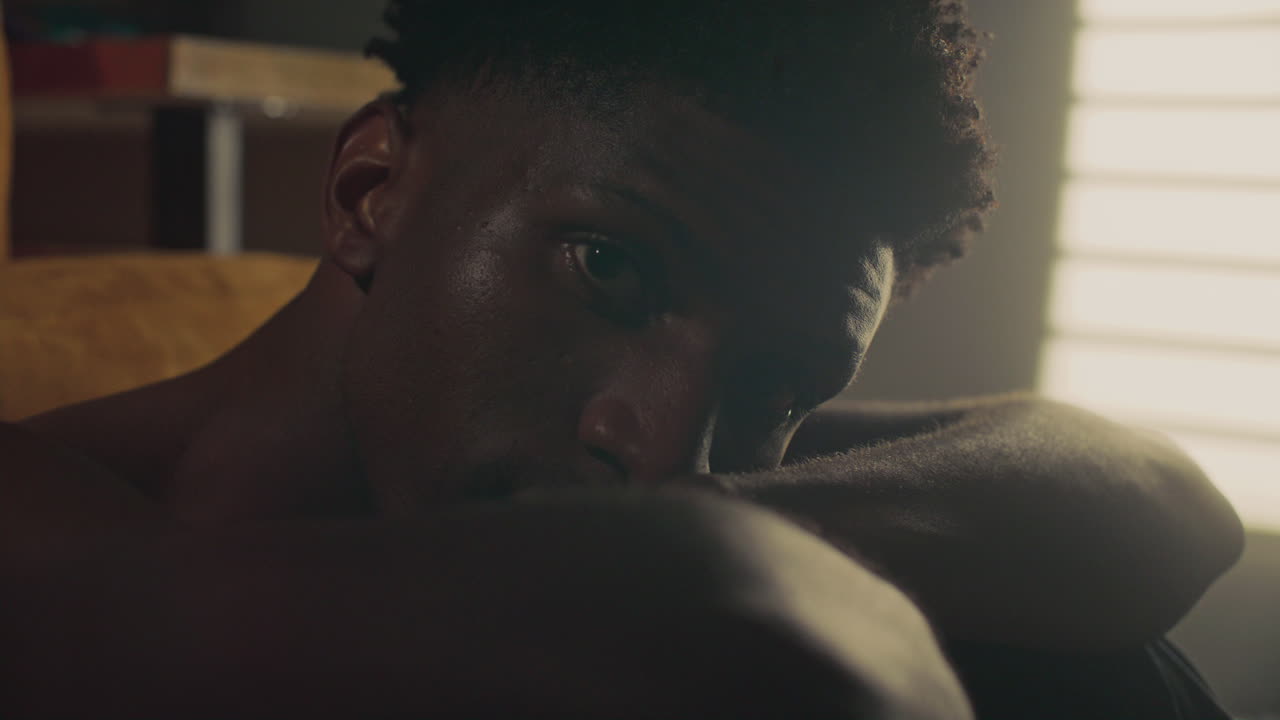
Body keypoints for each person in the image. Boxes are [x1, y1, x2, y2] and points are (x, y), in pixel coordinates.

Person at [1, 1, 1243, 717]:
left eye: (774, 389)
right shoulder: (49, 516)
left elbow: (1147, 496)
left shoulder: (663, 450)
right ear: (371, 190)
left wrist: (724, 539)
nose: (660, 442)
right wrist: (714, 568)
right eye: (610, 269)